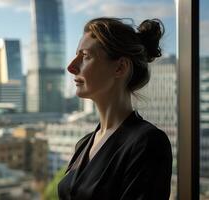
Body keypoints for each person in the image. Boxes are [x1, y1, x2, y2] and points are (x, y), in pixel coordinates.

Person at [58, 17, 173, 200]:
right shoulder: (84, 143)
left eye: (85, 56)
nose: (71, 67)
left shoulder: (148, 143)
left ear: (120, 67)